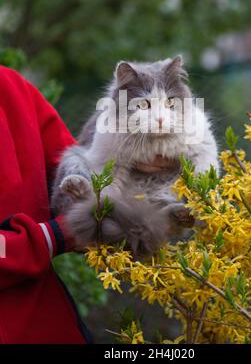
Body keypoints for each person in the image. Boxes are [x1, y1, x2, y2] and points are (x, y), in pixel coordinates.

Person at [0, 65, 176, 344]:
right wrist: (56, 236)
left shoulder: (10, 87)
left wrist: (138, 167)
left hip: (50, 326)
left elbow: (76, 173)